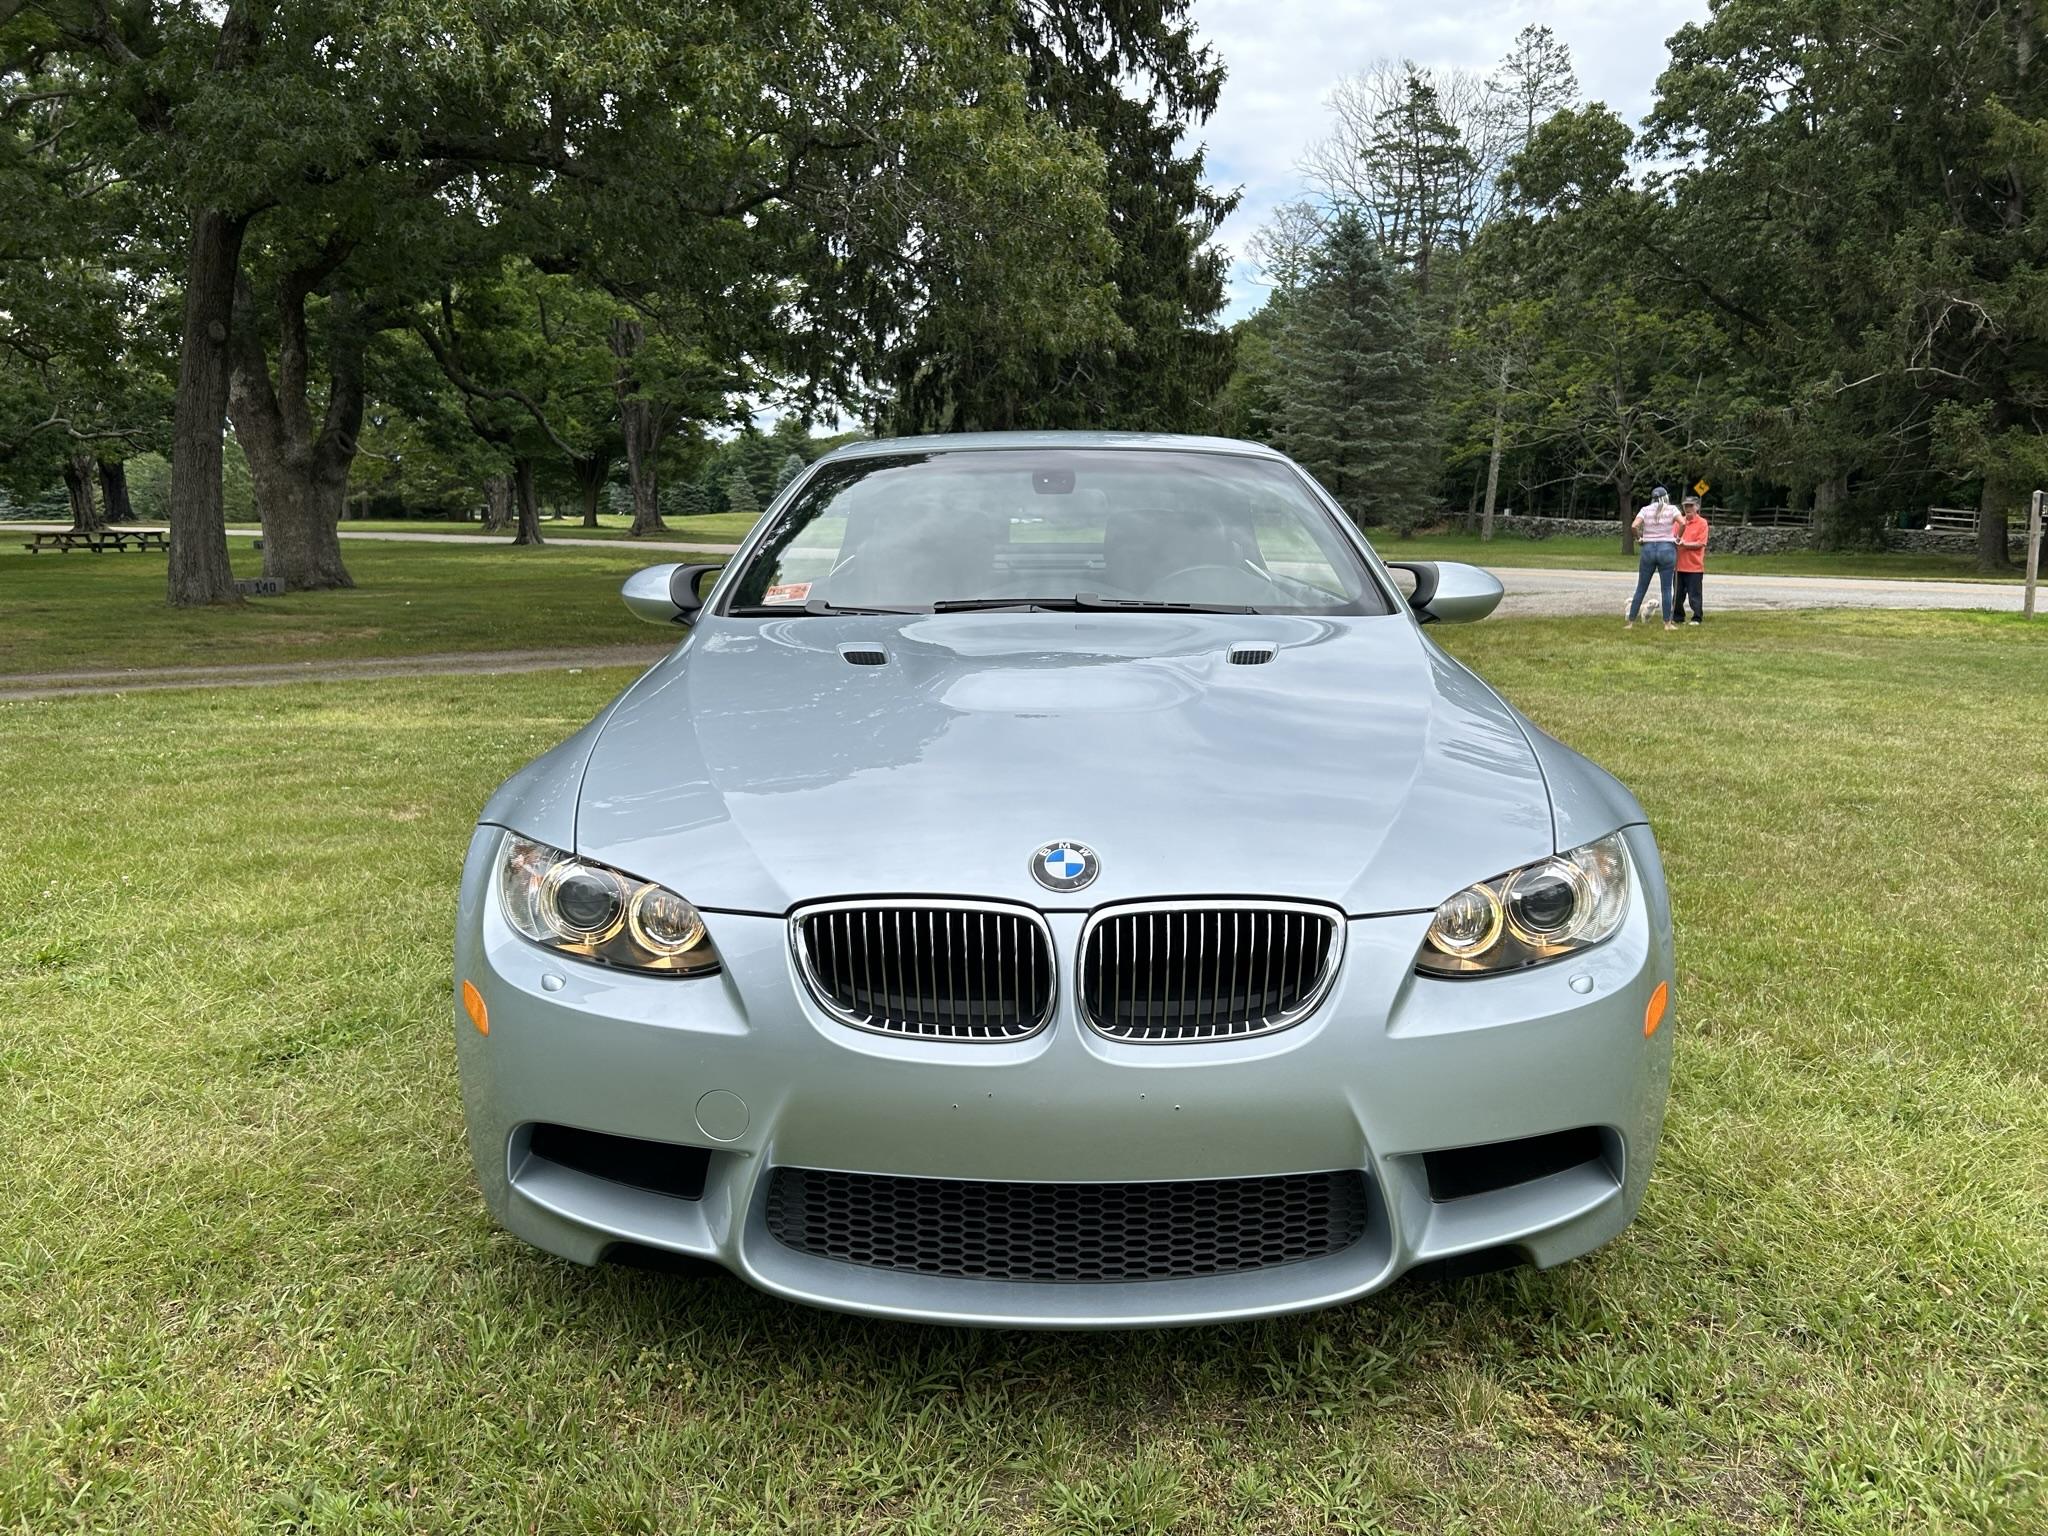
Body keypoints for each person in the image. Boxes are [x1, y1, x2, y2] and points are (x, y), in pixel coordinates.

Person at [1627, 487, 1682, 630]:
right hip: (1667, 548)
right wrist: (1678, 538)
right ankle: (1667, 623)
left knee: (1641, 587)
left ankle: (1631, 621)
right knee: (1666, 588)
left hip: (1648, 549)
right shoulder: (1672, 509)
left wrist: (1639, 538)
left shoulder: (1645, 510)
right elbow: (1683, 523)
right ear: (1665, 497)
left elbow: (1634, 526)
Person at [1675, 497, 1710, 624]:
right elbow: (1673, 537)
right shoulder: (1679, 522)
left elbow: (1701, 543)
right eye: (1685, 506)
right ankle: (1677, 617)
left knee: (1694, 595)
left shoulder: (1702, 523)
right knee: (1678, 595)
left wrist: (1685, 544)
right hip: (1678, 565)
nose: (1688, 508)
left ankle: (1696, 617)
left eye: (1691, 505)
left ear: (1697, 507)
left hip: (1694, 566)